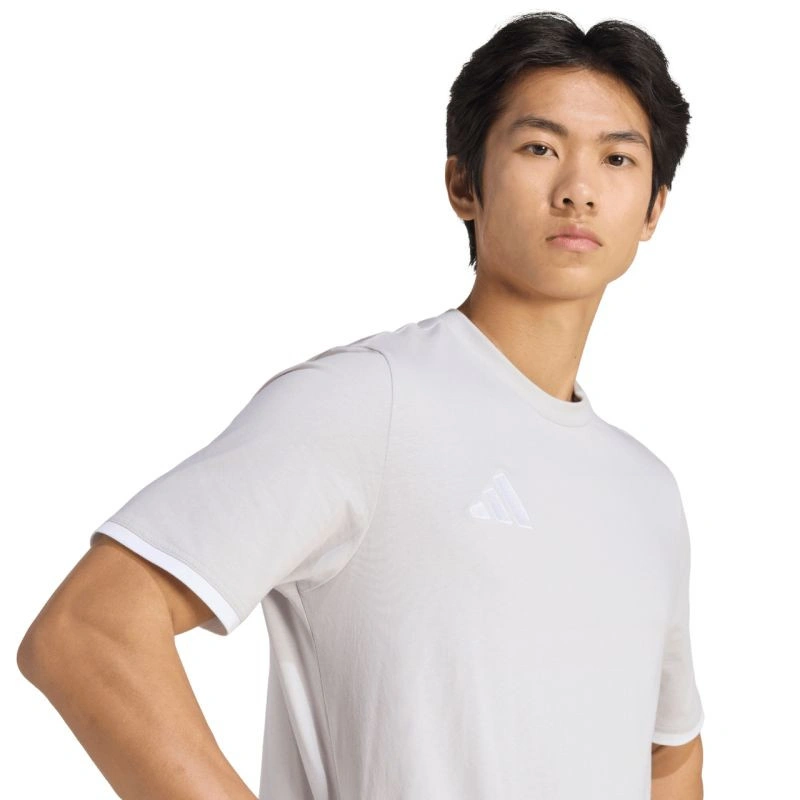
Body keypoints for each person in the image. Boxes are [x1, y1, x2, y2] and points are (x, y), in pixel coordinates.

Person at [17, 11, 705, 799]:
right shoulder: (370, 403)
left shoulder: (647, 490)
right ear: (463, 184)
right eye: (539, 148)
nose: (578, 189)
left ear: (653, 209)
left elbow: (670, 753)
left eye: (618, 158)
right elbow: (88, 632)